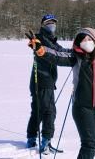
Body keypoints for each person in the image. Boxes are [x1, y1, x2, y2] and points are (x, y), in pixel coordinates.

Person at [28, 27, 95, 158]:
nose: (86, 42)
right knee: (90, 144)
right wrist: (42, 50)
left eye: (89, 39)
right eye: (82, 40)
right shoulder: (75, 56)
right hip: (82, 107)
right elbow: (57, 56)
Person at [26, 14, 72, 152]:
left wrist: (75, 51)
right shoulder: (41, 39)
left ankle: (31, 138)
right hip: (43, 81)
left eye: (53, 23)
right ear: (43, 25)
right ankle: (46, 141)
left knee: (38, 111)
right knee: (49, 112)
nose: (52, 25)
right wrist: (75, 56)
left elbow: (61, 50)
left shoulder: (49, 39)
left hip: (42, 81)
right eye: (48, 23)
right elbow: (56, 53)